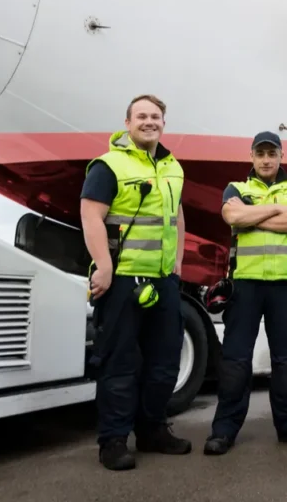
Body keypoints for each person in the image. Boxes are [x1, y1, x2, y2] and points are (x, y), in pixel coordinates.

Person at [81, 93, 192, 471]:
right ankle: (112, 441)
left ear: (164, 123)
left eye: (156, 116)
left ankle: (152, 431)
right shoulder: (108, 166)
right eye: (141, 116)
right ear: (127, 123)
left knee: (164, 364)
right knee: (119, 363)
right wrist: (104, 267)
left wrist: (177, 263)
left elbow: (175, 216)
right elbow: (91, 215)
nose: (149, 121)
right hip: (123, 280)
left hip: (163, 281)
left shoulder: (173, 168)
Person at [204, 131, 287, 454]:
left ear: (281, 156)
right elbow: (233, 216)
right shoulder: (237, 189)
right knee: (235, 361)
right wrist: (275, 210)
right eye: (261, 154)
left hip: (284, 286)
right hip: (245, 286)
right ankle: (224, 430)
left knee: (286, 361)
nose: (267, 159)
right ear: (252, 157)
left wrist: (254, 214)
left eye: (272, 154)